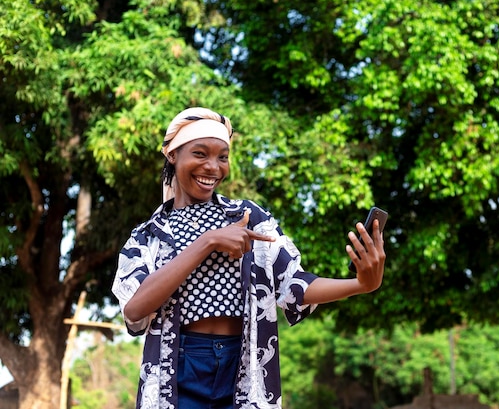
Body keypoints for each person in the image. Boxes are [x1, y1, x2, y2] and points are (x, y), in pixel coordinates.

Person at [111, 107, 386, 409]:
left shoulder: (249, 216)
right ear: (173, 155)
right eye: (200, 154)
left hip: (244, 363)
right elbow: (135, 308)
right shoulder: (148, 235)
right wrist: (208, 241)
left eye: (222, 157)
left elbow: (295, 285)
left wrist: (360, 284)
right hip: (178, 369)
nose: (213, 167)